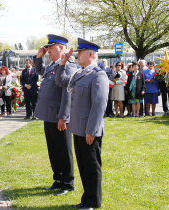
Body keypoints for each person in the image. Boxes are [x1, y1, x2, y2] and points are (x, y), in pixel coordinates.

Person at [55, 38, 109, 209]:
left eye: (81, 52)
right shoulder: (79, 72)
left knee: (92, 166)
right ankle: (86, 198)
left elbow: (99, 105)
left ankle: (93, 201)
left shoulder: (98, 75)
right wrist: (63, 63)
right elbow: (60, 81)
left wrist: (91, 130)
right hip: (78, 128)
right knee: (83, 166)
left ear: (91, 54)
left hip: (89, 129)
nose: (77, 55)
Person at [33, 34, 76, 196]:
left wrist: (63, 117)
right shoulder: (53, 65)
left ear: (62, 48)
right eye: (48, 48)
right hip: (49, 115)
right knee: (53, 149)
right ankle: (58, 179)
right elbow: (40, 71)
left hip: (59, 116)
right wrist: (39, 58)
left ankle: (67, 182)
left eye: (51, 48)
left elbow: (68, 94)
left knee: (63, 150)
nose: (48, 51)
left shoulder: (68, 66)